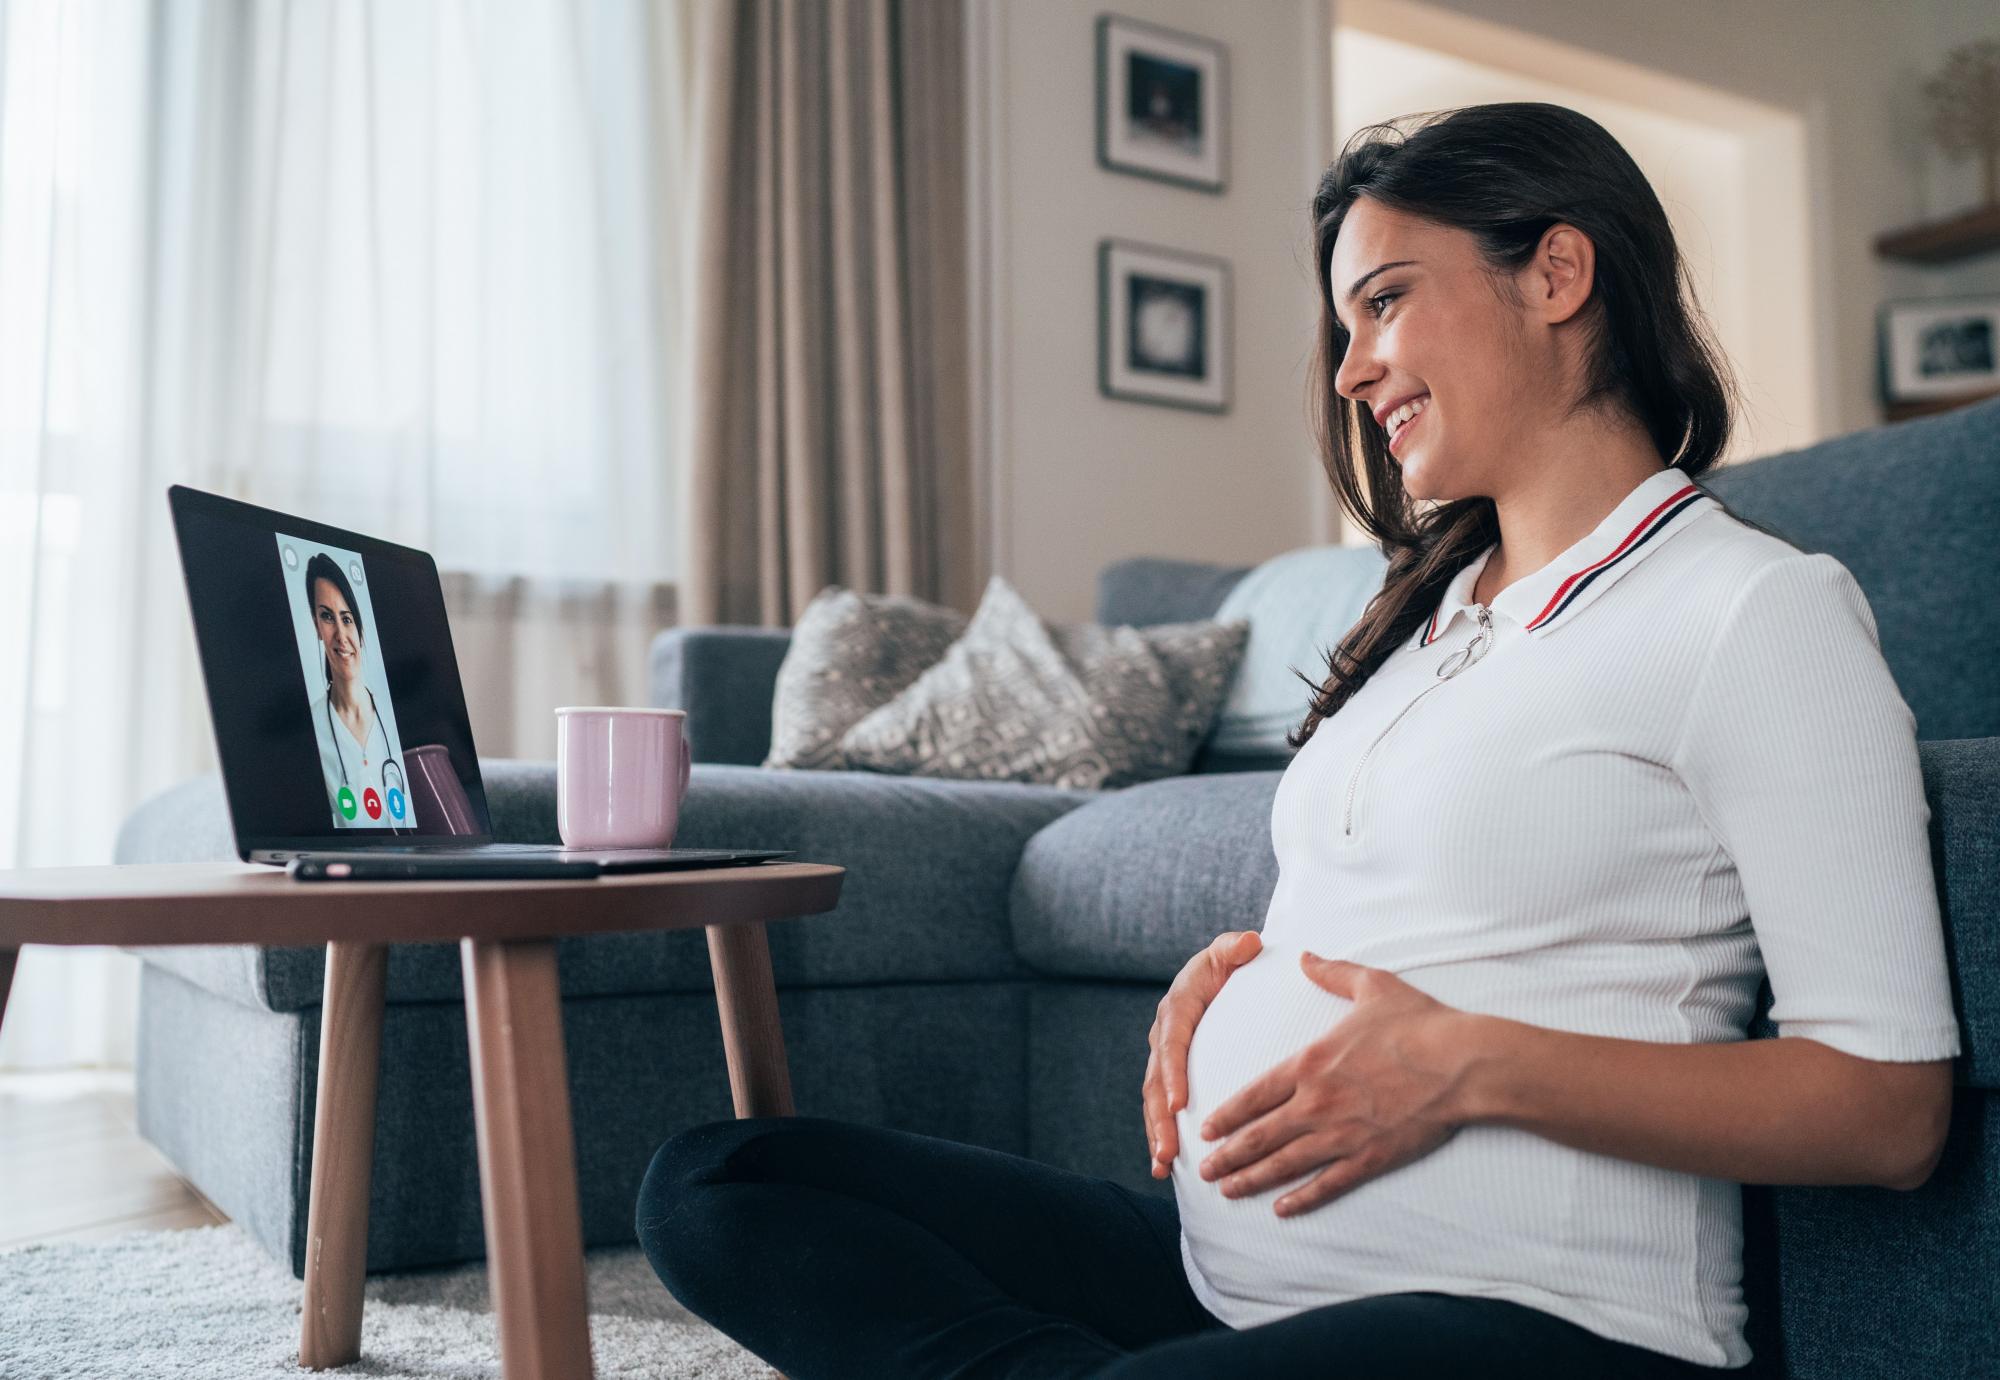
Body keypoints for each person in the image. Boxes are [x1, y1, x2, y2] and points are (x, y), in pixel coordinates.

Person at [631, 102, 1961, 1378]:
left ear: (1558, 273)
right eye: (1344, 323)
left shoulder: (1753, 612)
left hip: (1548, 1325)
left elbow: (1888, 1111)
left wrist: (1462, 1067)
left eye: (1385, 299)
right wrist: (1253, 971)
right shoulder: (1428, 620)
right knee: (716, 1184)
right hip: (1222, 1284)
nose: (1351, 367)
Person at [302, 552, 405, 828]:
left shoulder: (395, 718)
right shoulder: (308, 729)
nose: (340, 635)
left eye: (346, 619)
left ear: (358, 627)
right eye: (327, 617)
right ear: (316, 625)